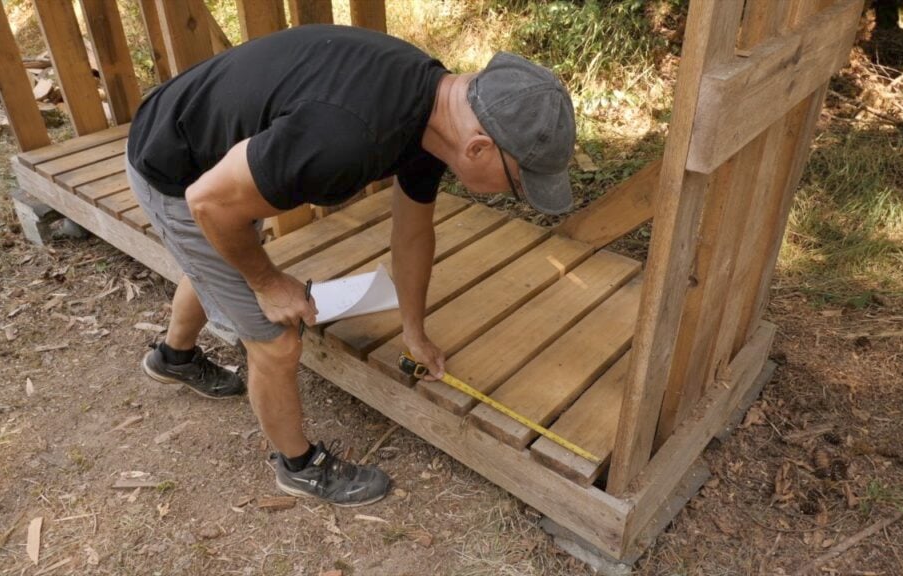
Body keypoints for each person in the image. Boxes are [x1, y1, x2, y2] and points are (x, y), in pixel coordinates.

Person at [125, 24, 576, 507]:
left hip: (209, 148)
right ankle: (297, 467)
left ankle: (173, 358)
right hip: (175, 168)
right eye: (517, 183)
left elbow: (412, 232)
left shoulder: (432, 115)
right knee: (275, 341)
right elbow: (208, 204)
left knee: (222, 256)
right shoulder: (347, 137)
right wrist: (268, 282)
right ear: (479, 147)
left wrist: (413, 330)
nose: (516, 194)